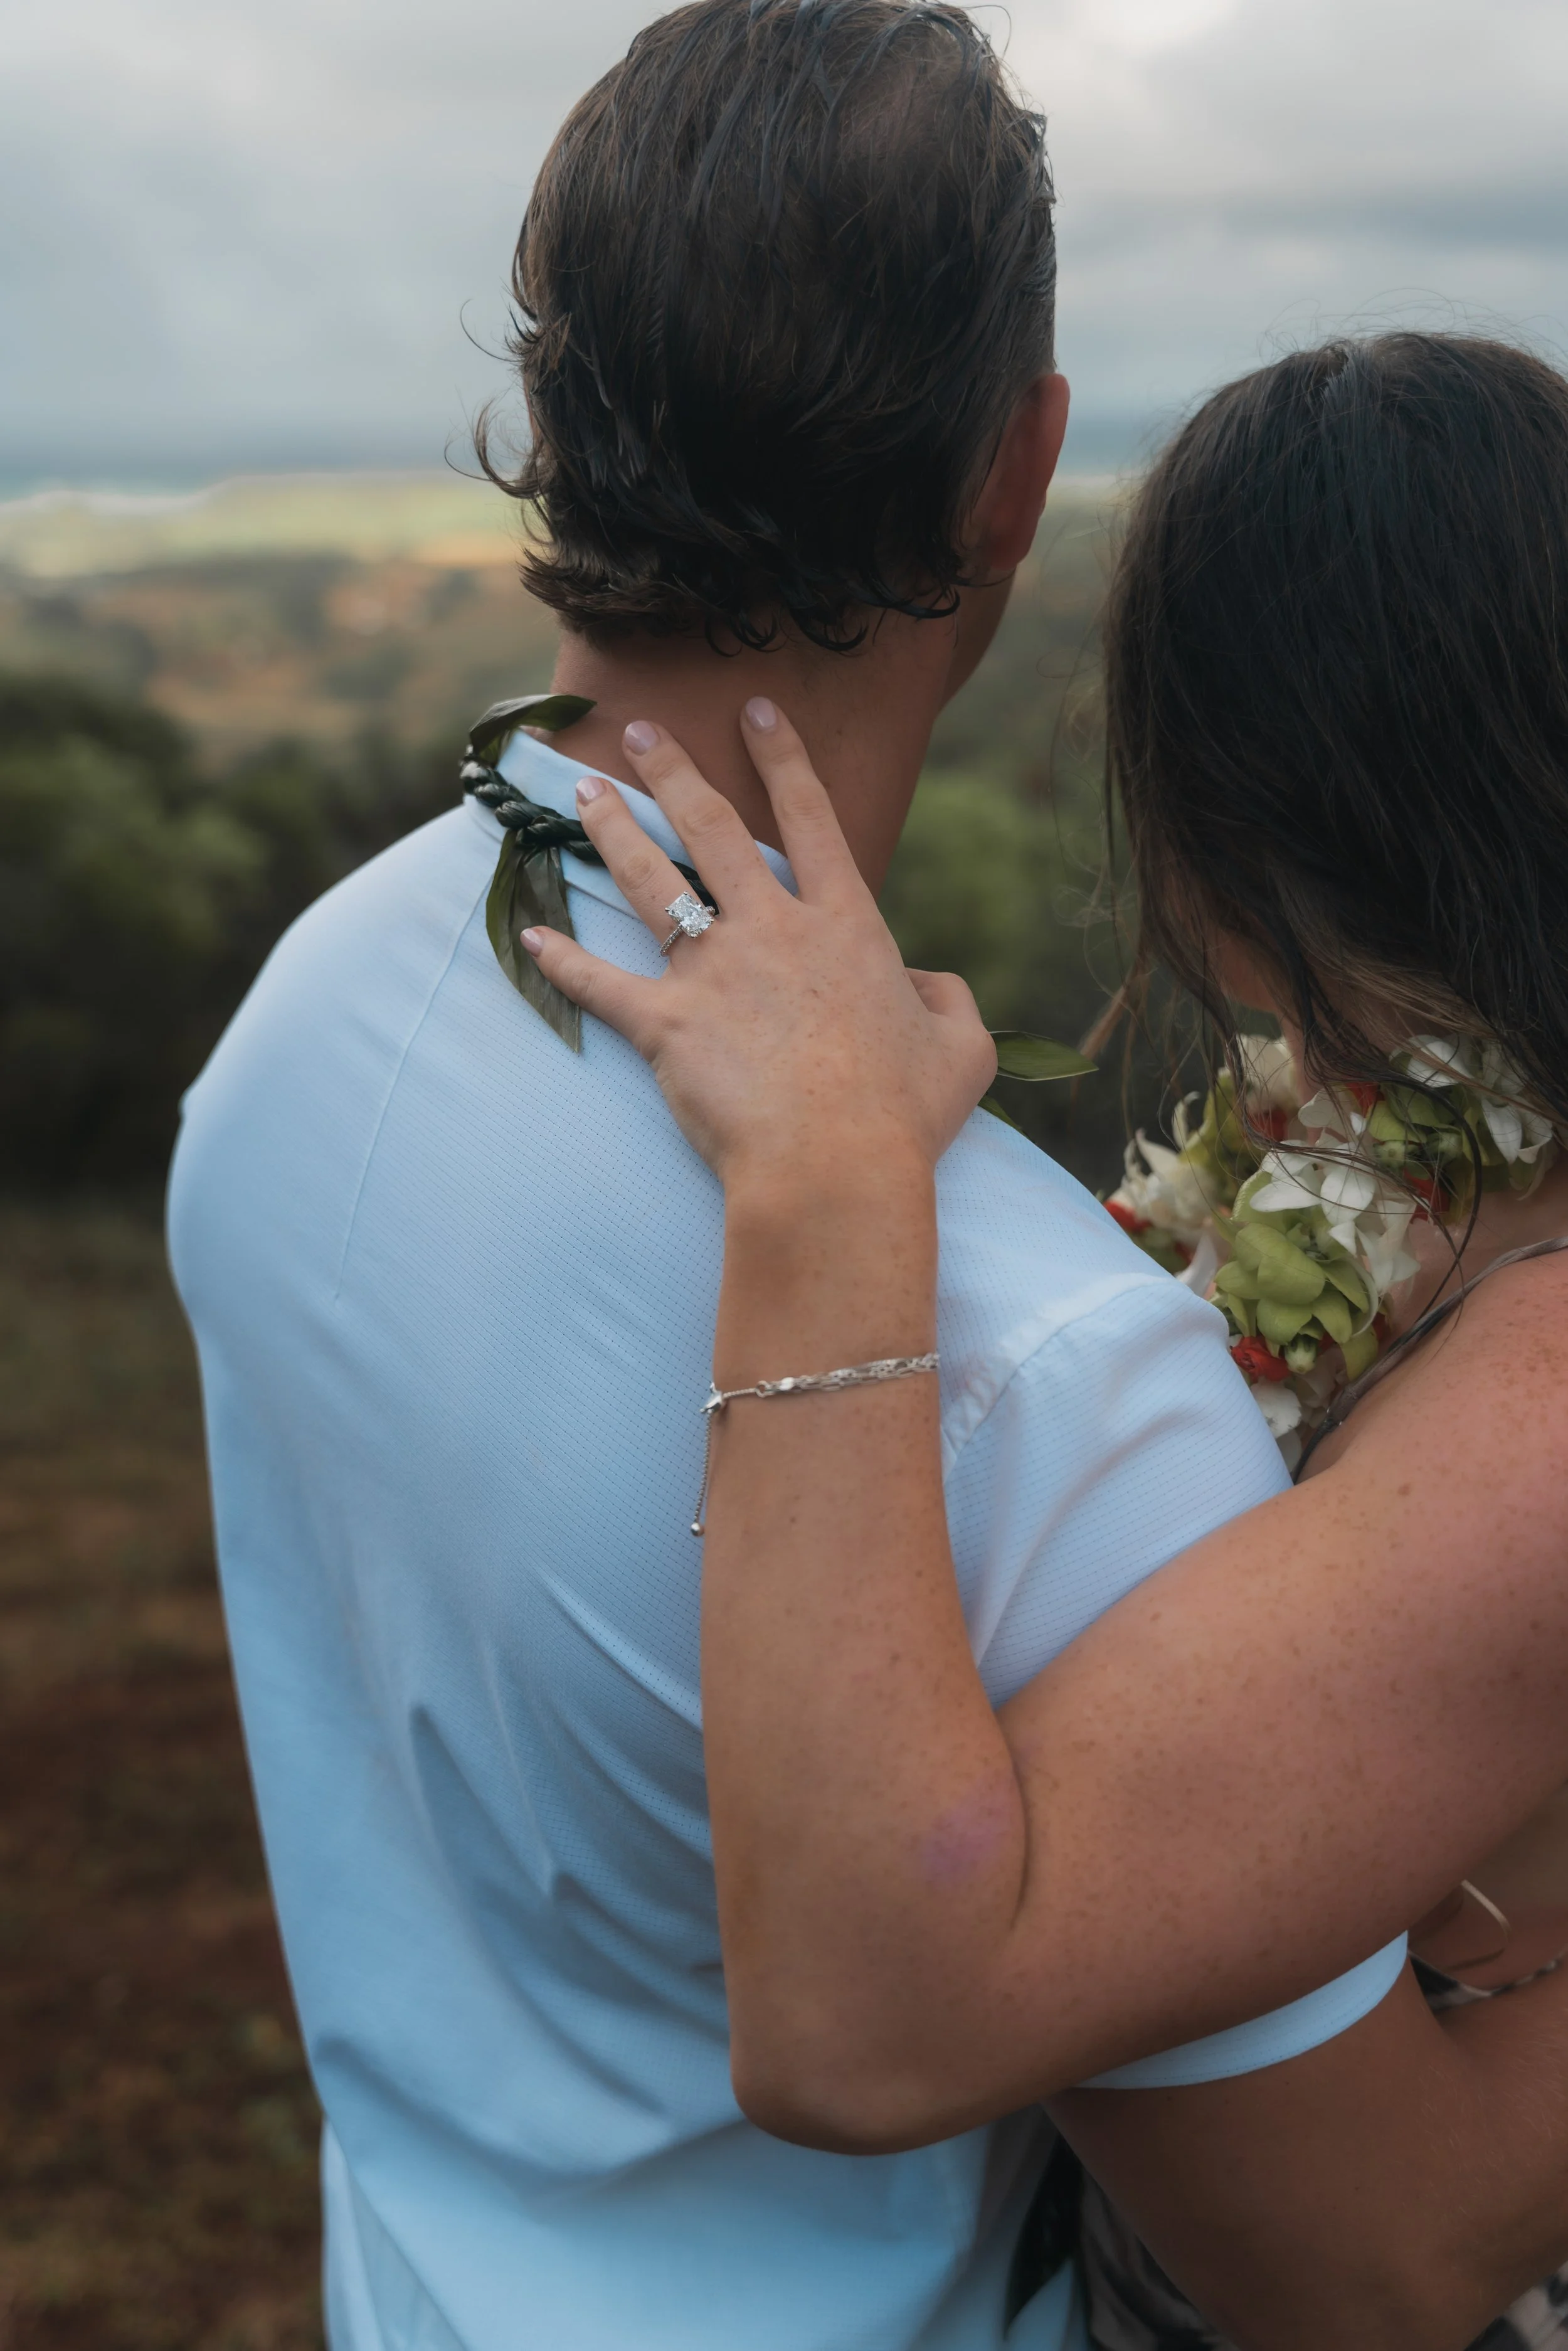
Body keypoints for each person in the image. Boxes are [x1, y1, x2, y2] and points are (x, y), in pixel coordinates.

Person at [164, 7, 1460, 2348]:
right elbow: (1358, 2256)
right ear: (1014, 475)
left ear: (565, 424)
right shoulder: (1052, 1366)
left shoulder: (297, 1035)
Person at [524, 329, 1568, 2349]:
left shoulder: (1536, 1396)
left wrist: (829, 1201)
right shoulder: (1415, 1187)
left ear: (1207, 843)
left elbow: (851, 2024)